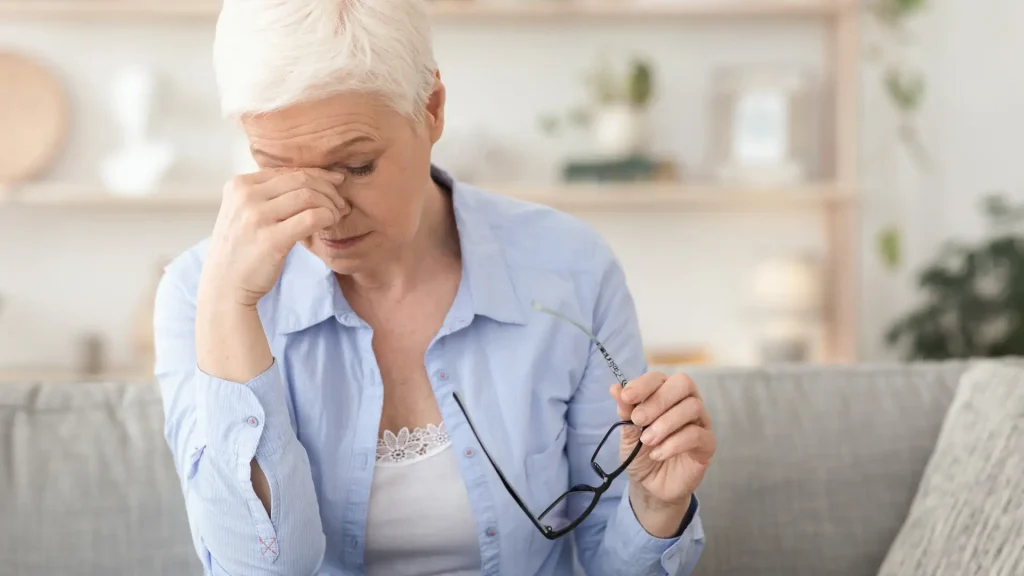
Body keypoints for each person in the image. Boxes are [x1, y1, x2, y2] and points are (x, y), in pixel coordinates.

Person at [153, 0, 716, 574]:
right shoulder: (199, 293)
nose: (321, 213)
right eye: (275, 167)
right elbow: (264, 569)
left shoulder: (570, 267)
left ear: (433, 109)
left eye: (357, 165)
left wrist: (653, 505)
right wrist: (227, 305)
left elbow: (612, 561)